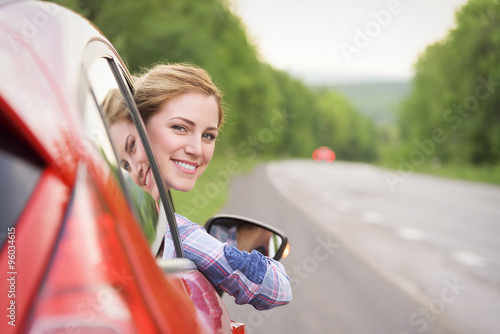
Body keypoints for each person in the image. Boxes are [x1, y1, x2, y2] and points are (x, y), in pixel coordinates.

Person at [104, 63, 291, 310]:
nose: (196, 149)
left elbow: (278, 289)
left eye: (208, 136)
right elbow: (276, 288)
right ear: (139, 128)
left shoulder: (101, 200)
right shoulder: (177, 234)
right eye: (180, 127)